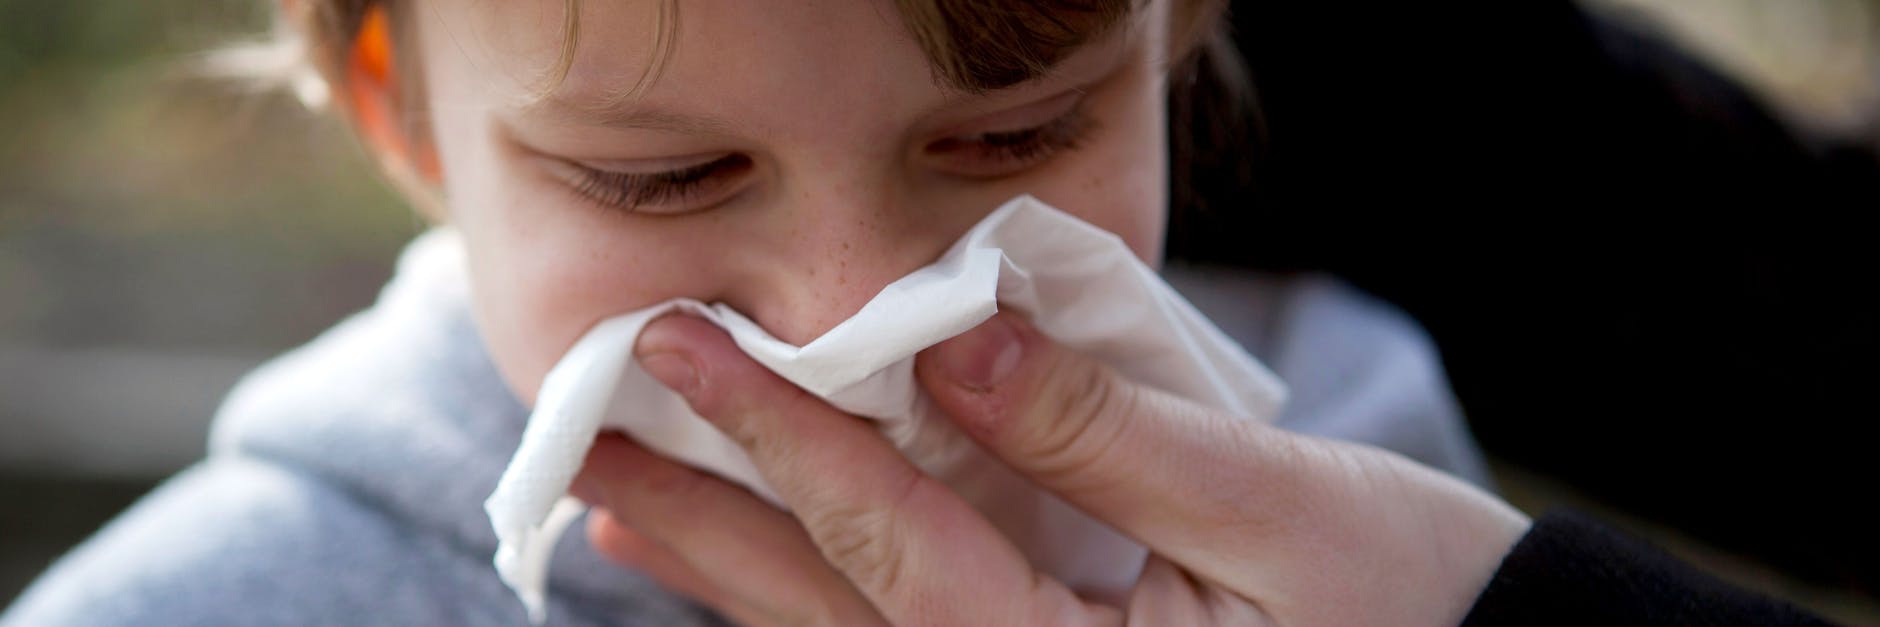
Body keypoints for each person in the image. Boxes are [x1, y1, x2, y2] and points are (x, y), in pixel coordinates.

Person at [0, 1, 1834, 626]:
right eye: (662, 180)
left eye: (1019, 135)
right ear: (397, 109)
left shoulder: (1351, 464)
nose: (868, 313)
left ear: (1173, 45)